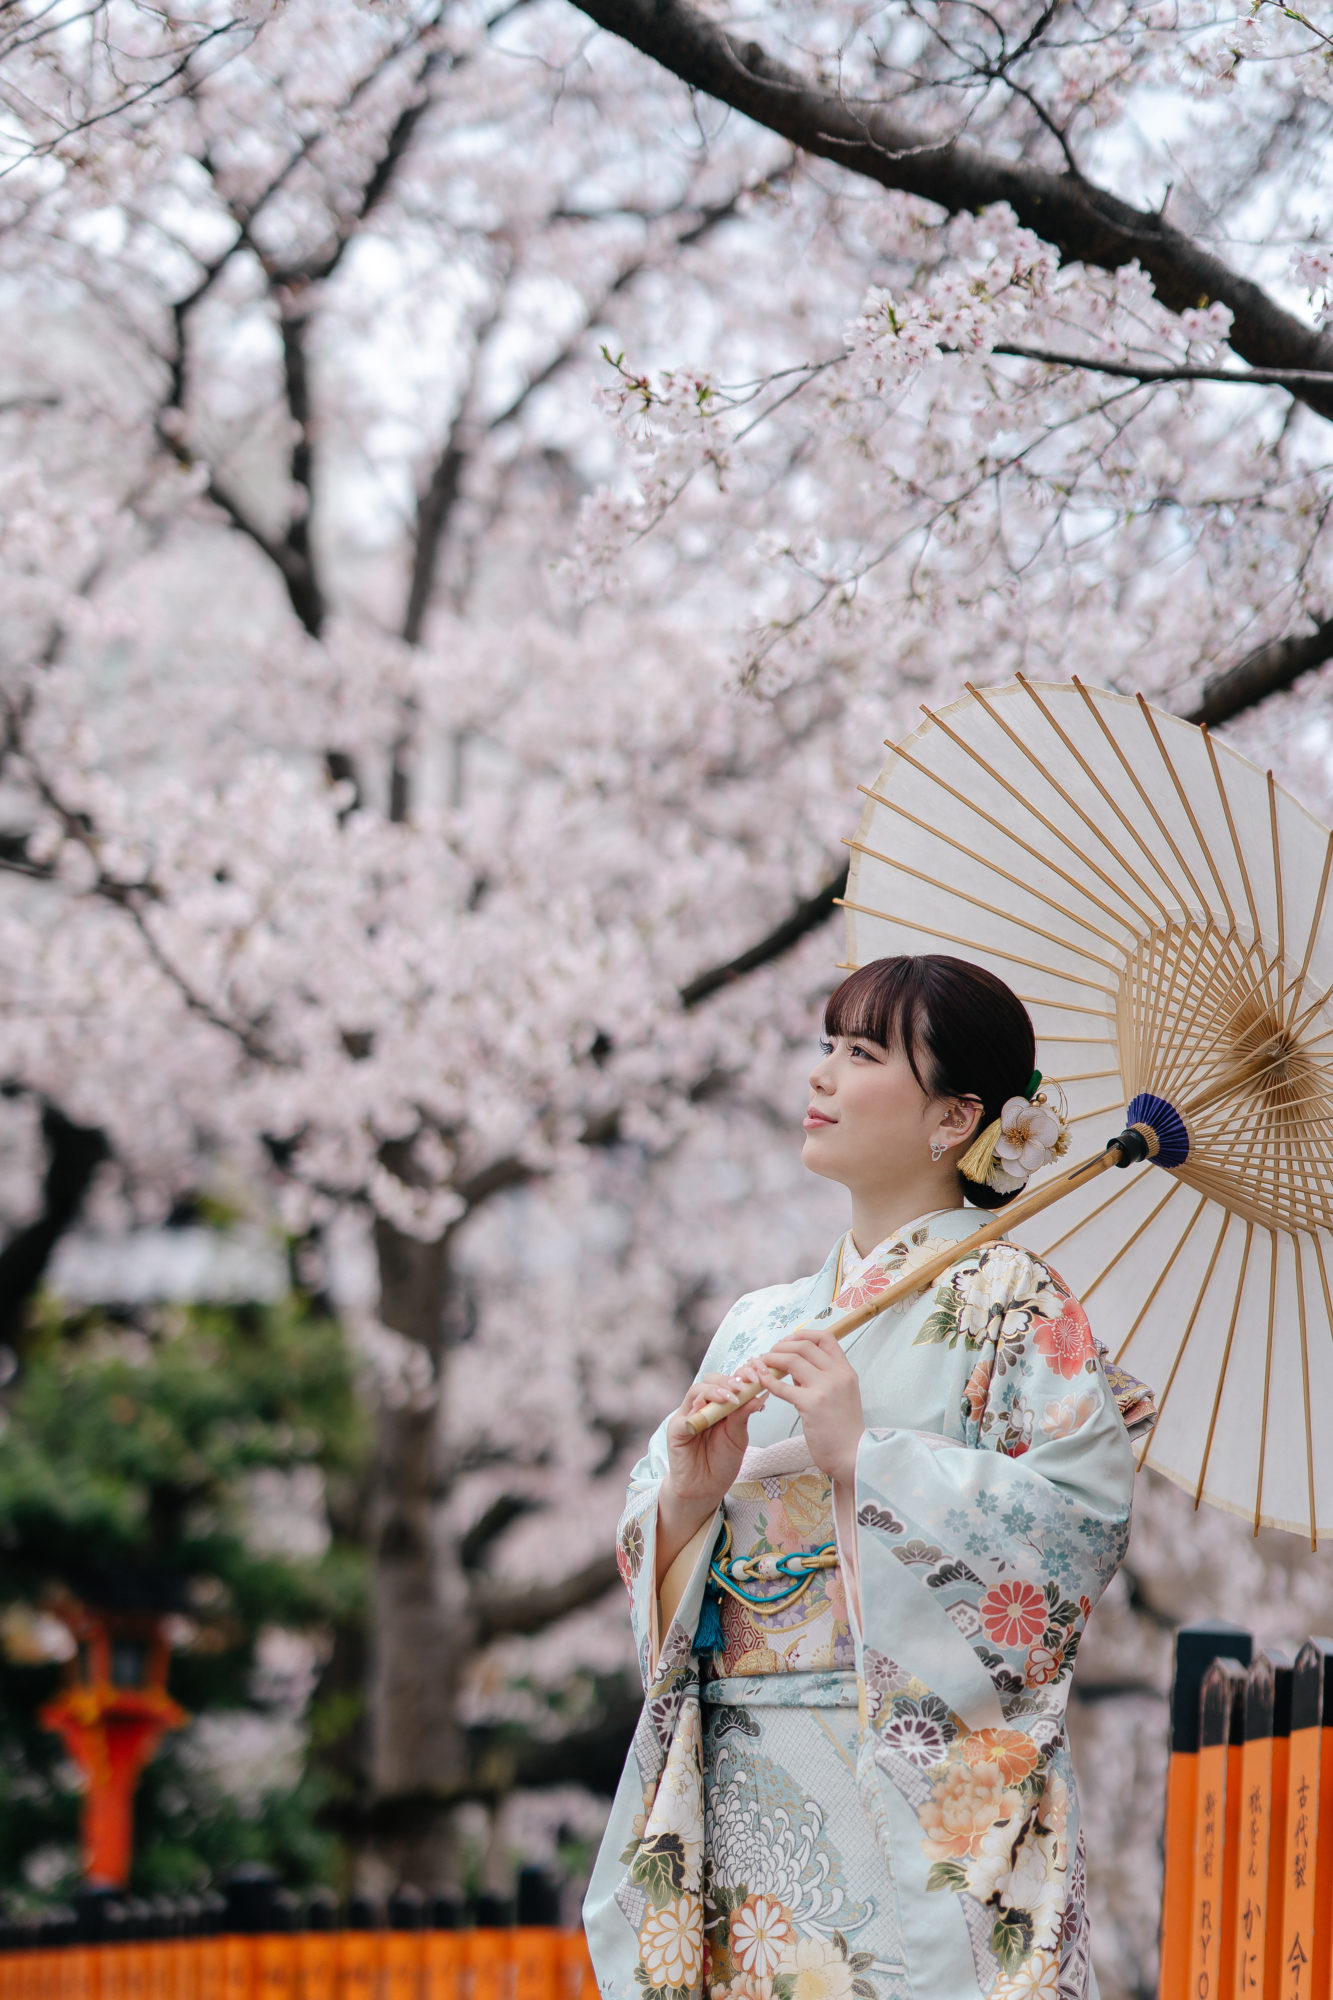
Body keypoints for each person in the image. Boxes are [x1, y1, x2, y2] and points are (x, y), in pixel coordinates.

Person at [583, 955, 1139, 2000]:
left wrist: (865, 1457)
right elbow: (655, 1550)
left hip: (921, 1801)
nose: (823, 1076)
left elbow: (1076, 1526)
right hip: (757, 1791)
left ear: (954, 1118)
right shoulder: (759, 1320)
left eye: (863, 1052)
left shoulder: (1015, 1302)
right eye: (826, 1045)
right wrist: (689, 1496)